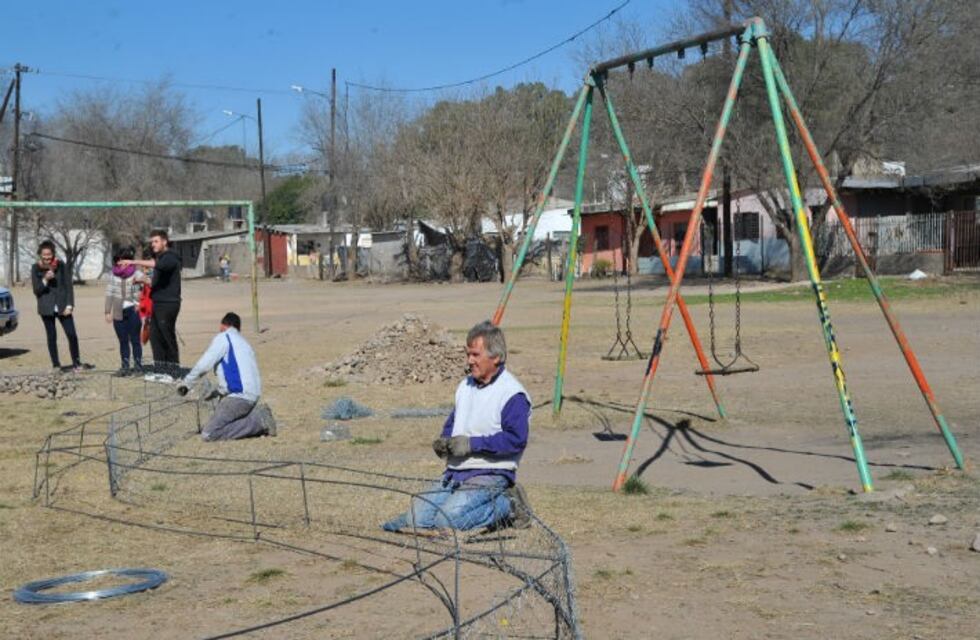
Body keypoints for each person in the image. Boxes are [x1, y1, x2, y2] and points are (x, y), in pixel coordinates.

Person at [382, 321, 533, 532]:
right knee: (418, 520)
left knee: (448, 522)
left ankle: (509, 506)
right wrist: (445, 441)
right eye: (468, 354)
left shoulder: (512, 394)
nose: (469, 360)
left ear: (496, 357)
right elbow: (453, 422)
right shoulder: (465, 386)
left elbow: (516, 440)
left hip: (491, 473)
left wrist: (472, 444)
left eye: (475, 355)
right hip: (456, 472)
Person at [176, 312, 276, 441]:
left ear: (223, 325)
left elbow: (204, 365)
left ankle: (258, 421)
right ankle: (252, 416)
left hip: (239, 397)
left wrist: (187, 384)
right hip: (252, 395)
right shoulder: (244, 343)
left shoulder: (224, 337)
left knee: (209, 434)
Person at [120, 229, 181, 374]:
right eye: (152, 242)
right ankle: (160, 370)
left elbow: (157, 264)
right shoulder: (160, 258)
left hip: (169, 304)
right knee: (155, 336)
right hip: (158, 303)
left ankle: (173, 371)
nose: (153, 244)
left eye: (156, 241)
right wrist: (144, 280)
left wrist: (133, 261)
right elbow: (156, 281)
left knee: (167, 336)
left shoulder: (171, 256)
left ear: (164, 242)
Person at [31, 240, 92, 372]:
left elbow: (68, 286)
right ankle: (56, 365)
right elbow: (37, 290)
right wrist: (45, 279)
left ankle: (76, 363)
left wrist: (70, 305)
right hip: (46, 307)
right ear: (40, 255)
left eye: (49, 254)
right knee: (51, 337)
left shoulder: (61, 265)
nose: (47, 257)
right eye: (44, 255)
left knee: (72, 334)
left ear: (53, 254)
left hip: (63, 306)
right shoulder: (35, 268)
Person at [104, 246, 147, 376]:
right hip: (118, 311)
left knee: (135, 340)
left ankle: (138, 366)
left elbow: (148, 284)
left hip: (133, 310)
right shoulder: (112, 275)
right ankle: (125, 367)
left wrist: (140, 302)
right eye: (119, 260)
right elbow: (109, 292)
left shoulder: (136, 273)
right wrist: (107, 311)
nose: (121, 263)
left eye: (124, 260)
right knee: (123, 340)